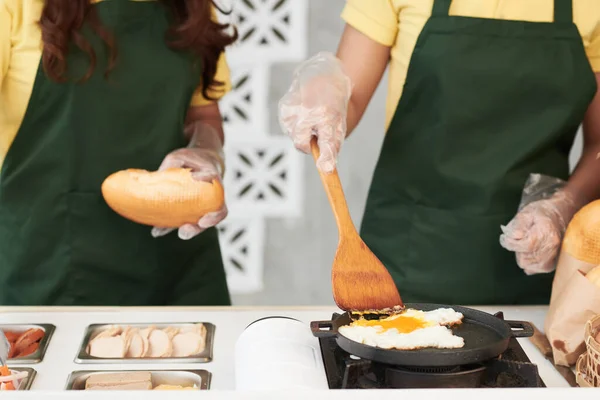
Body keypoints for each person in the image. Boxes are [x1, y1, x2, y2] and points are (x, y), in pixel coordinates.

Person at [279, 0, 600, 305]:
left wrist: (562, 209)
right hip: (405, 264)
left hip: (535, 268)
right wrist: (327, 95)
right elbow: (348, 101)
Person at [0, 0, 235, 305]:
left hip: (180, 265)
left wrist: (207, 153)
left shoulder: (191, 7)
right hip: (48, 263)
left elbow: (202, 115)